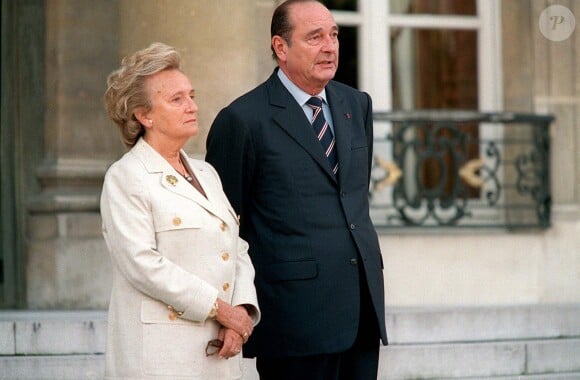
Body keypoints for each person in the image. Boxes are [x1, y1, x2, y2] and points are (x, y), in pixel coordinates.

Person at [205, 1, 388, 379]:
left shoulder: (357, 104)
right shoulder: (241, 120)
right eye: (315, 37)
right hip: (293, 321)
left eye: (334, 35)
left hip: (361, 311)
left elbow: (350, 201)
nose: (330, 46)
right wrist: (228, 309)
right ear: (281, 47)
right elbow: (222, 228)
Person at [100, 42, 260, 380]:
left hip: (220, 351)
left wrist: (241, 314)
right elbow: (142, 264)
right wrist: (221, 310)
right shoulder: (126, 176)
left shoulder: (206, 173)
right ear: (144, 116)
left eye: (191, 95)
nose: (192, 106)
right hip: (161, 356)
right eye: (176, 99)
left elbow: (237, 248)